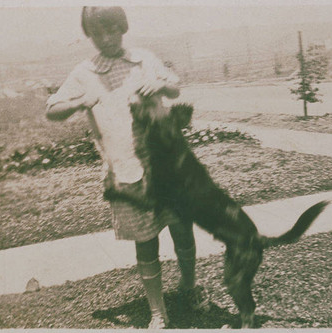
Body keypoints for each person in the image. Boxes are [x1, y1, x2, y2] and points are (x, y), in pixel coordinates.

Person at [46, 6, 208, 329]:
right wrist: (79, 102)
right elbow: (52, 109)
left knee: (181, 228)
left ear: (123, 27)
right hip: (127, 169)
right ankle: (158, 312)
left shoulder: (144, 59)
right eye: (98, 33)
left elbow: (175, 87)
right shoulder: (84, 73)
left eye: (113, 30)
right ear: (89, 35)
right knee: (145, 239)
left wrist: (159, 86)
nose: (107, 38)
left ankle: (188, 287)